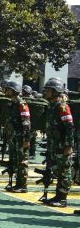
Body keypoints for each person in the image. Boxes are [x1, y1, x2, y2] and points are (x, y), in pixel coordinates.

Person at [41, 78, 73, 207]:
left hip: (62, 146)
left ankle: (62, 198)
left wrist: (68, 146)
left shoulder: (62, 107)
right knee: (57, 170)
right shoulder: (52, 106)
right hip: (54, 144)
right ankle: (58, 195)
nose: (45, 93)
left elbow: (69, 127)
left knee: (64, 171)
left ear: (55, 92)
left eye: (48, 90)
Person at [2, 81, 30, 193]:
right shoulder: (12, 103)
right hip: (13, 137)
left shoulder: (21, 104)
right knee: (14, 160)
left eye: (8, 89)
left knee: (22, 161)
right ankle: (16, 183)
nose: (6, 91)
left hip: (21, 137)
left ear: (14, 91)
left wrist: (26, 139)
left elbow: (26, 123)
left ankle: (22, 185)